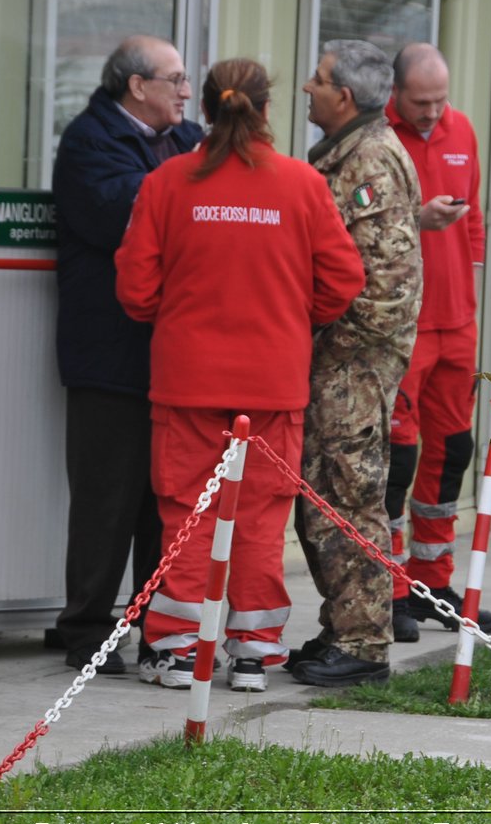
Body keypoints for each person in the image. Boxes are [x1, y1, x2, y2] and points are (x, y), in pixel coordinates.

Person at [115, 58, 364, 693]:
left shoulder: (168, 182)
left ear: (204, 106)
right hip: (273, 386)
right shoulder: (302, 185)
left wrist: (181, 315)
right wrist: (287, 316)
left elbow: (136, 290)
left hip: (187, 382)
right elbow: (342, 280)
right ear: (265, 110)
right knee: (258, 520)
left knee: (186, 516)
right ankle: (253, 653)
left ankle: (175, 649)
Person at [51, 35, 201, 676]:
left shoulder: (183, 137)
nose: (186, 92)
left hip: (168, 359)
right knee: (105, 503)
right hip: (108, 359)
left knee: (159, 504)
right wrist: (195, 183)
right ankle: (86, 629)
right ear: (137, 86)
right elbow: (131, 213)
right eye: (174, 79)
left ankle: (147, 626)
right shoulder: (90, 143)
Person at [288, 40, 424, 687]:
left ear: (344, 96)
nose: (306, 88)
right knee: (321, 491)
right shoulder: (347, 152)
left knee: (350, 488)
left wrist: (326, 338)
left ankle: (366, 640)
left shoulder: (370, 158)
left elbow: (387, 287)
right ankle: (344, 619)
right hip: (338, 356)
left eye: (316, 80)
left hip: (355, 359)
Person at [382, 43, 491, 642]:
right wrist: (414, 220)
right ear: (395, 94)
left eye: (440, 100)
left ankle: (433, 582)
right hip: (405, 322)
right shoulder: (380, 137)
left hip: (457, 322)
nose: (431, 112)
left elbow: (473, 218)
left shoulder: (462, 131)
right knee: (397, 457)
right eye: (420, 102)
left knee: (452, 450)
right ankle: (391, 588)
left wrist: (467, 274)